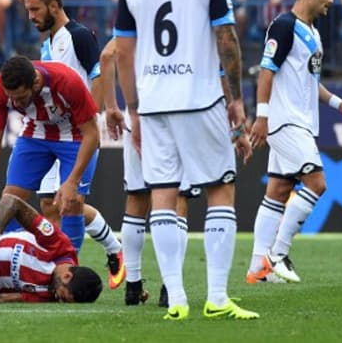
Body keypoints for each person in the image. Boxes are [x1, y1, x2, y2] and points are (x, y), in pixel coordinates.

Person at [111, 0, 259, 320]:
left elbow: (123, 52)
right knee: (220, 190)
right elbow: (226, 38)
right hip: (198, 98)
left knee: (162, 194)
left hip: (154, 103)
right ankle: (215, 297)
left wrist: (133, 109)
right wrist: (235, 99)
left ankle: (176, 300)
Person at [101, 37, 252, 307]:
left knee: (137, 199)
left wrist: (113, 106)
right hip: (181, 110)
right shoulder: (190, 19)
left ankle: (133, 287)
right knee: (177, 199)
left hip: (142, 111)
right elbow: (220, 65)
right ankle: (170, 289)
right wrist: (234, 118)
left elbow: (107, 56)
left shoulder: (140, 17)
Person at [247, 0, 342, 284]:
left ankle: (257, 268)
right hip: (285, 120)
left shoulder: (312, 31)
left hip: (299, 120)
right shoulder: (284, 26)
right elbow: (266, 71)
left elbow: (310, 82)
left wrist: (340, 104)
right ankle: (277, 255)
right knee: (316, 183)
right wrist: (261, 116)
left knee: (278, 191)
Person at [23, 0, 124, 289]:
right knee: (51, 205)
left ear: (54, 5)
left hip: (79, 135)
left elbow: (100, 71)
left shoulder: (79, 36)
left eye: (36, 8)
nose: (31, 16)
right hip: (54, 134)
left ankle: (68, 275)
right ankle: (114, 248)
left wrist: (98, 111)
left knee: (70, 203)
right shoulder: (47, 43)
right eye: (28, 9)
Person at [0, 55, 100, 256]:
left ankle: (68, 266)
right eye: (11, 97)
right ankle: (8, 259)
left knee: (71, 203)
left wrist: (72, 182)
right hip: (36, 134)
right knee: (11, 200)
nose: (15, 102)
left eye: (21, 98)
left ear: (36, 83)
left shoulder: (67, 82)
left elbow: (92, 134)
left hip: (75, 136)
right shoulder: (0, 87)